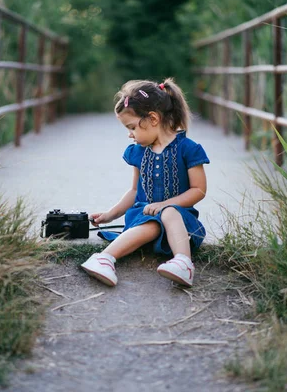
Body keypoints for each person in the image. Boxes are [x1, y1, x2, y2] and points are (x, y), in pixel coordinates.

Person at [81, 78, 210, 287]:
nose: (129, 134)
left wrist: (166, 204)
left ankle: (183, 263)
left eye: (132, 127)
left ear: (152, 119)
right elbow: (134, 191)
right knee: (151, 221)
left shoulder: (189, 149)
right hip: (144, 218)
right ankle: (104, 259)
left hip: (180, 222)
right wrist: (109, 215)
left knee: (168, 213)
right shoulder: (139, 152)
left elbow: (199, 190)